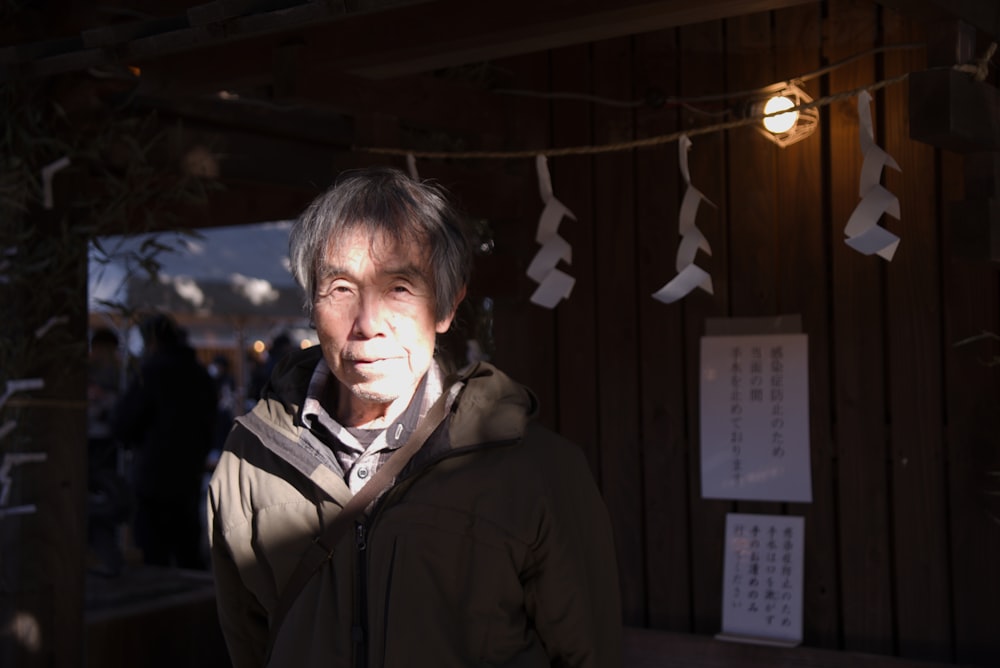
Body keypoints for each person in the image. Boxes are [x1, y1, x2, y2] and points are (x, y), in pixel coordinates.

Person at [207, 166, 622, 667]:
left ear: (447, 306)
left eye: (400, 288)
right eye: (340, 288)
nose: (368, 324)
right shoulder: (249, 462)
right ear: (311, 305)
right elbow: (252, 647)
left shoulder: (539, 473)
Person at [113, 313, 217, 569]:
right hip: (189, 471)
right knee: (188, 551)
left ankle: (160, 604)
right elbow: (210, 423)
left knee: (153, 554)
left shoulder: (151, 372)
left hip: (153, 474)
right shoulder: (199, 374)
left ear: (151, 341)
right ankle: (196, 605)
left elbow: (124, 422)